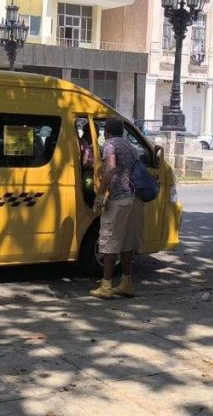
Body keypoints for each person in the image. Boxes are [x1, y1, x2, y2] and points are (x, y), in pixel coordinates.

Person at [90, 117, 144, 299]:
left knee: (109, 241)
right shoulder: (130, 146)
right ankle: (126, 283)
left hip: (118, 200)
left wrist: (101, 192)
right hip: (134, 199)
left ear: (106, 132)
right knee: (127, 243)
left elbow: (111, 168)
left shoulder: (110, 144)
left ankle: (106, 286)